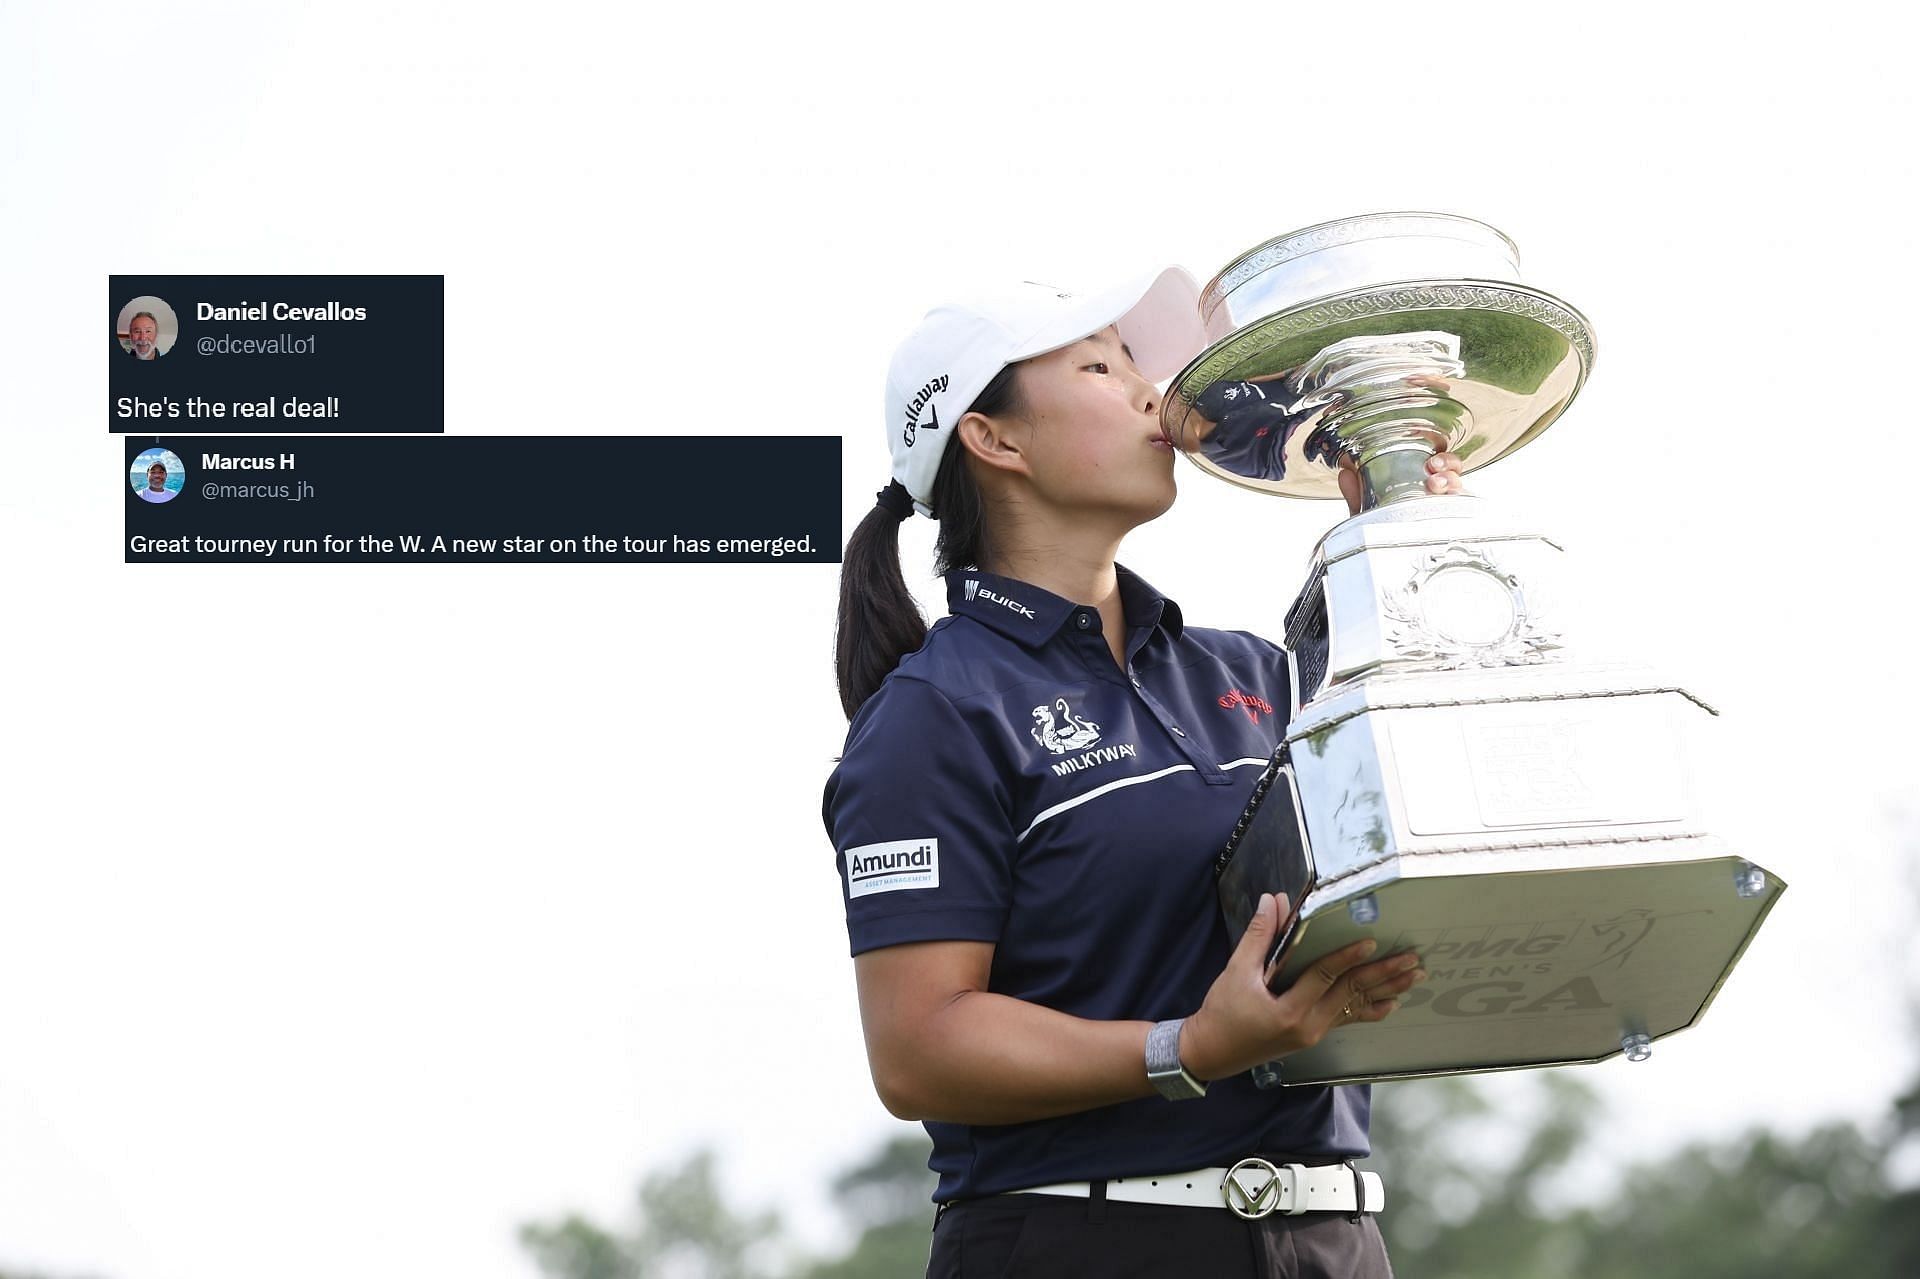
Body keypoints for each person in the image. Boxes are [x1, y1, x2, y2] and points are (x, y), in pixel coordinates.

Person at [822, 270, 1467, 1278]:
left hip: (1333, 1237)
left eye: (1136, 365)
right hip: (1086, 1241)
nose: (1150, 393)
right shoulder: (935, 712)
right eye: (1100, 366)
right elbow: (918, 1048)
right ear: (996, 440)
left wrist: (1392, 530)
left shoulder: (1254, 670)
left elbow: (1416, 817)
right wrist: (1187, 1048)